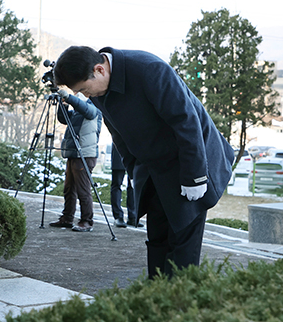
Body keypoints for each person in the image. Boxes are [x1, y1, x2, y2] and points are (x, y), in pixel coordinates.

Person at [53, 46, 234, 278]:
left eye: (85, 90)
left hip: (191, 159)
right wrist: (135, 171)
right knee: (157, 238)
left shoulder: (149, 69)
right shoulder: (100, 91)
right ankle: (155, 298)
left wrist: (195, 176)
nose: (87, 96)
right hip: (154, 167)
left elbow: (187, 122)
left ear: (99, 69)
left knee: (182, 241)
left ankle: (180, 305)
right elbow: (119, 135)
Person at [49, 91, 102, 232]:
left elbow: (85, 109)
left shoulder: (94, 107)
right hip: (73, 153)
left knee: (83, 190)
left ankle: (87, 221)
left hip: (85, 154)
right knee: (69, 188)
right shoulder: (78, 111)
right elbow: (64, 119)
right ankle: (67, 218)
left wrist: (70, 97)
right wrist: (62, 104)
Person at [110, 144, 140, 228]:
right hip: (119, 150)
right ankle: (118, 216)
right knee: (117, 184)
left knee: (132, 185)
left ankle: (133, 216)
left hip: (133, 152)